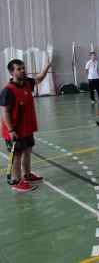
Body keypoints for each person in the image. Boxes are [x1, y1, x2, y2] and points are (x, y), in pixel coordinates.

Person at [1, 58, 52, 191]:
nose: (23, 70)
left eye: (23, 68)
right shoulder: (8, 90)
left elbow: (40, 78)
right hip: (14, 130)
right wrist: (11, 130)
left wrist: (46, 67)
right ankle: (17, 182)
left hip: (26, 128)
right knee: (17, 155)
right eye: (19, 69)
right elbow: (4, 110)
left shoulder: (27, 83)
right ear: (12, 72)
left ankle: (27, 175)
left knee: (27, 151)